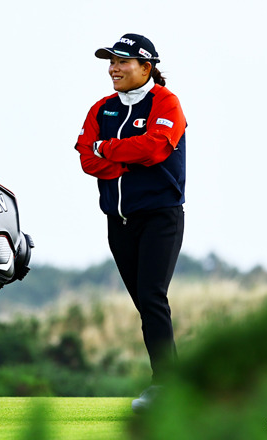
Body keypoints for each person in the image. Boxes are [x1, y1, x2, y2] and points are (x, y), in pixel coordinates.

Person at [75, 33, 187, 414]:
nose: (113, 68)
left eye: (122, 61)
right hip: (118, 220)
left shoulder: (166, 102)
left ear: (146, 67)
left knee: (153, 298)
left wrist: (106, 149)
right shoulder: (101, 108)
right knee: (145, 302)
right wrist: (125, 156)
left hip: (160, 217)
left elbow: (156, 148)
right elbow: (86, 160)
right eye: (111, 61)